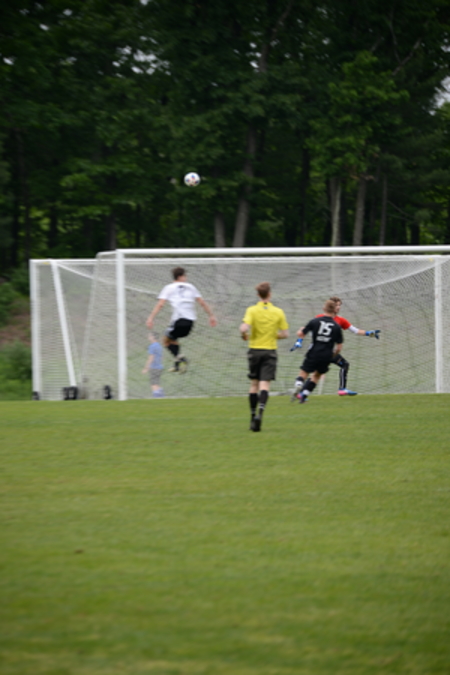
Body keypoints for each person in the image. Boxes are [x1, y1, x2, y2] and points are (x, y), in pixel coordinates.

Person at [146, 267, 217, 373]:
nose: (186, 278)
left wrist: (151, 318)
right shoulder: (191, 287)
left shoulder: (169, 288)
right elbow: (202, 303)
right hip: (190, 324)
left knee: (165, 340)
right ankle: (177, 364)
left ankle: (181, 359)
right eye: (185, 276)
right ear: (180, 277)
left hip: (178, 321)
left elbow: (160, 304)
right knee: (173, 339)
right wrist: (211, 315)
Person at [240, 282, 289, 432]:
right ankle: (260, 414)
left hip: (254, 350)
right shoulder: (278, 311)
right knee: (264, 385)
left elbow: (243, 327)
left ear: (258, 295)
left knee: (254, 384)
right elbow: (285, 334)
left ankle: (252, 416)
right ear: (270, 294)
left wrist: (244, 334)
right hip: (270, 351)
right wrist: (274, 335)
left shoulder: (252, 310)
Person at [325, 296, 380, 396]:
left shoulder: (341, 320)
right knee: (315, 373)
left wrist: (369, 333)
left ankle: (342, 389)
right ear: (330, 305)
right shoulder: (320, 318)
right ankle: (302, 390)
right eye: (336, 305)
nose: (338, 307)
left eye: (339, 305)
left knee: (344, 364)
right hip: (320, 350)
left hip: (330, 351)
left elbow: (355, 331)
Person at [292, 299, 343, 403]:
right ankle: (304, 395)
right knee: (317, 375)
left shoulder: (315, 321)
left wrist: (300, 331)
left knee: (304, 372)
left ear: (323, 308)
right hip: (326, 355)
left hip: (314, 352)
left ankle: (298, 384)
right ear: (334, 310)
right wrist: (333, 355)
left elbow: (301, 334)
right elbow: (339, 347)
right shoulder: (337, 326)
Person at [142, 332, 164, 398]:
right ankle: (162, 396)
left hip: (154, 368)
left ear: (153, 337)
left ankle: (157, 397)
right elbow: (161, 357)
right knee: (157, 383)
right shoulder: (159, 346)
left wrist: (146, 368)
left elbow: (151, 357)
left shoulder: (152, 346)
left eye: (149, 336)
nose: (148, 337)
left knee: (153, 384)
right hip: (159, 367)